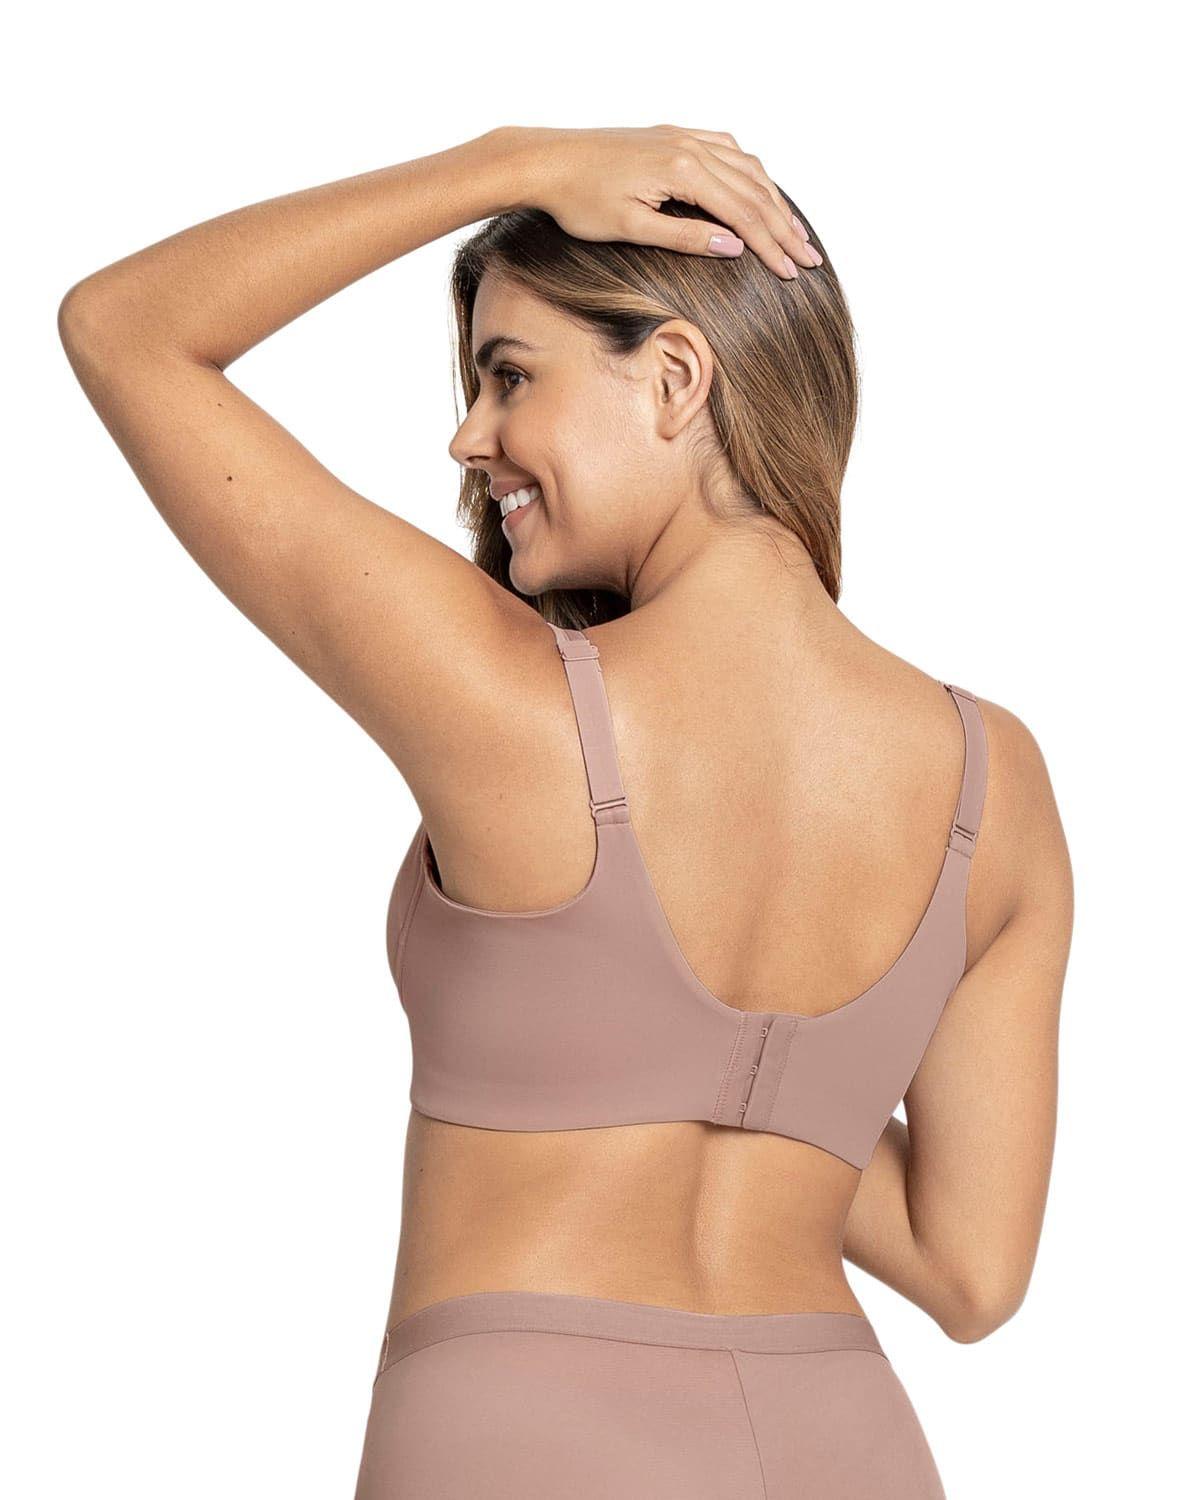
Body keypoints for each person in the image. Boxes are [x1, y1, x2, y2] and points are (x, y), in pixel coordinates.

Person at [58, 123, 1073, 1498]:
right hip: (843, 1444)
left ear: (675, 379)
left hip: (522, 1440)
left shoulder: (509, 704)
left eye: (508, 375)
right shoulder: (994, 784)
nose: (469, 436)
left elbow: (124, 328)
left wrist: (508, 163)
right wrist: (783, 1084)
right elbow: (970, 1272)